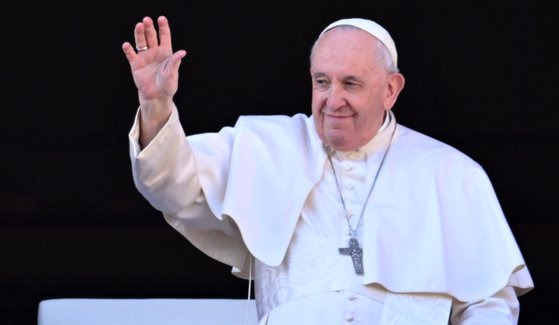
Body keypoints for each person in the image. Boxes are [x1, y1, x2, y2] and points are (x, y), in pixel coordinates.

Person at [123, 16, 534, 324]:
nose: (332, 100)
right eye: (322, 82)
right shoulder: (261, 146)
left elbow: (490, 301)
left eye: (351, 84)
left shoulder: (451, 173)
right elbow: (169, 185)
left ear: (390, 89)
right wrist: (155, 104)